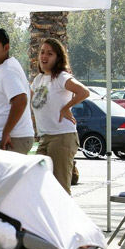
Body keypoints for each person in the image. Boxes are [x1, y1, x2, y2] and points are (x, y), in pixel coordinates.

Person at [31, 38, 89, 194]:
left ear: (58, 58)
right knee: (38, 183)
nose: (44, 56)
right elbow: (25, 101)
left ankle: (64, 218)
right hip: (45, 137)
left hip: (62, 136)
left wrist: (66, 107)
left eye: (50, 53)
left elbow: (84, 92)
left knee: (60, 189)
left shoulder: (61, 77)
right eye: (42, 52)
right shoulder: (39, 79)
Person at [0, 27, 34, 154]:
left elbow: (20, 100)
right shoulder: (2, 67)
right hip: (8, 138)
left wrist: (6, 132)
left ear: (6, 48)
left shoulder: (8, 70)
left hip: (12, 139)